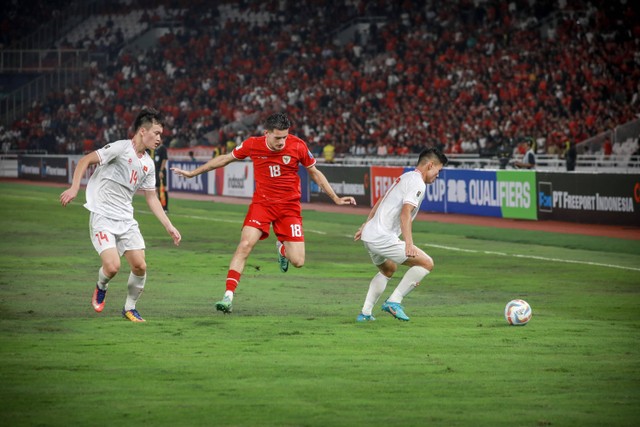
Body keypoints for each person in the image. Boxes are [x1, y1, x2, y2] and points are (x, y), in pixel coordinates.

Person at [171, 112, 356, 314]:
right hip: (262, 204)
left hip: (289, 208)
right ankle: (228, 296)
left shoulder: (298, 145)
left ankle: (281, 249)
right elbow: (224, 159)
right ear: (266, 133)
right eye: (277, 137)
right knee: (245, 245)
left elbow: (315, 173)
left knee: (298, 262)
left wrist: (336, 198)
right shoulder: (252, 144)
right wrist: (192, 173)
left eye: (285, 137)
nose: (282, 142)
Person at [60, 107, 182, 322]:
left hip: (126, 219)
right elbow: (85, 160)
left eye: (161, 134)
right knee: (112, 267)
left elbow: (152, 198)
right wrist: (74, 188)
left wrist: (169, 226)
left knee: (140, 265)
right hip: (103, 216)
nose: (159, 138)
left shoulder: (148, 164)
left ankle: (129, 308)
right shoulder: (119, 148)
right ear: (142, 132)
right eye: (156, 133)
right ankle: (101, 286)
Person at [354, 147, 448, 322]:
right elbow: (405, 212)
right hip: (382, 237)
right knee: (426, 263)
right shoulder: (418, 183)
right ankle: (394, 301)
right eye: (438, 170)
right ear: (430, 165)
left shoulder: (406, 176)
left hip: (371, 235)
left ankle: (365, 314)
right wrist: (408, 243)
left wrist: (366, 224)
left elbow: (382, 199)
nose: (437, 175)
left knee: (388, 269)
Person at [150, 139, 169, 212]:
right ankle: (160, 206)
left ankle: (165, 207)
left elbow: (164, 159)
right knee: (157, 189)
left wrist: (161, 171)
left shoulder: (163, 148)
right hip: (156, 171)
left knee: (163, 188)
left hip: (161, 171)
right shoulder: (155, 149)